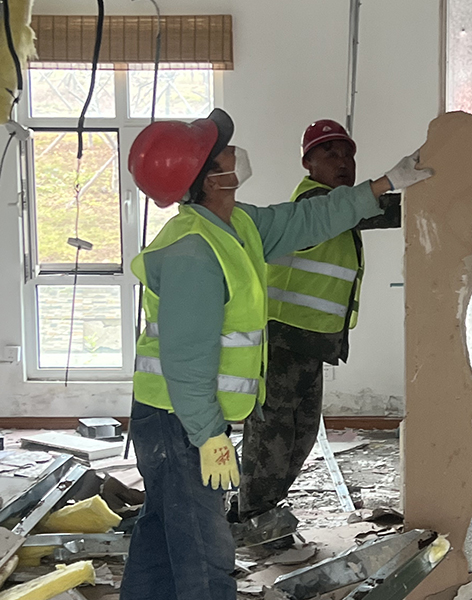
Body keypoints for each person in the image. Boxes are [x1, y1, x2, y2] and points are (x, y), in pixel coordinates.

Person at [119, 108, 431, 600]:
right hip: (176, 421)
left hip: (181, 417)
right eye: (221, 150)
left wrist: (386, 182)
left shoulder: (236, 224)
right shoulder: (192, 253)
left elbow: (309, 218)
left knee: (161, 533)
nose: (233, 151)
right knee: (205, 550)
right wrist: (208, 436)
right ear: (211, 178)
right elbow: (186, 359)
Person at [236, 120, 401, 523]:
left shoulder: (341, 208)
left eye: (348, 155)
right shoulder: (316, 203)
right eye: (330, 154)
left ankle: (265, 509)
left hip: (311, 338)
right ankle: (251, 515)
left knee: (300, 434)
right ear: (307, 163)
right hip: (283, 336)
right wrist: (424, 188)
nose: (343, 162)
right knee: (273, 434)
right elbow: (383, 210)